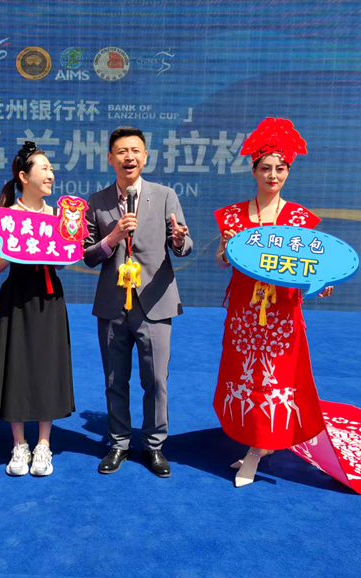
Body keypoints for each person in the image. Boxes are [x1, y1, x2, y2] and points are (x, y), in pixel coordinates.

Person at [212, 117, 334, 487]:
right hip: (244, 311)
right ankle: (258, 441)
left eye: (280, 168)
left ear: (288, 172)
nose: (273, 175)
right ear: (253, 171)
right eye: (265, 168)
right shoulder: (233, 215)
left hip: (282, 313)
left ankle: (257, 449)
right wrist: (226, 248)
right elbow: (222, 260)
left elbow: (309, 266)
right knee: (245, 375)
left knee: (275, 378)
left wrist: (320, 283)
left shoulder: (298, 219)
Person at [83, 126, 192, 478]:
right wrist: (113, 237)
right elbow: (87, 255)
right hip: (112, 304)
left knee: (156, 380)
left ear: (145, 156)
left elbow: (183, 244)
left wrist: (179, 240)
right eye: (121, 151)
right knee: (115, 379)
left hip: (154, 302)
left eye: (135, 150)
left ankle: (154, 445)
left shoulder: (165, 196)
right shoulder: (96, 201)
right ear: (110, 158)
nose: (128, 157)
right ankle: (119, 443)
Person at [0, 141, 75, 477]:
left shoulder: (60, 216)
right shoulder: (5, 217)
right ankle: (19, 444)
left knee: (47, 366)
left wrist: (65, 244)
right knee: (17, 366)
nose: (51, 175)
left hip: (49, 297)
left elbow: (64, 262)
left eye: (51, 169)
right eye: (44, 168)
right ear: (24, 176)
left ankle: (44, 444)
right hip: (17, 297)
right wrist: (12, 248)